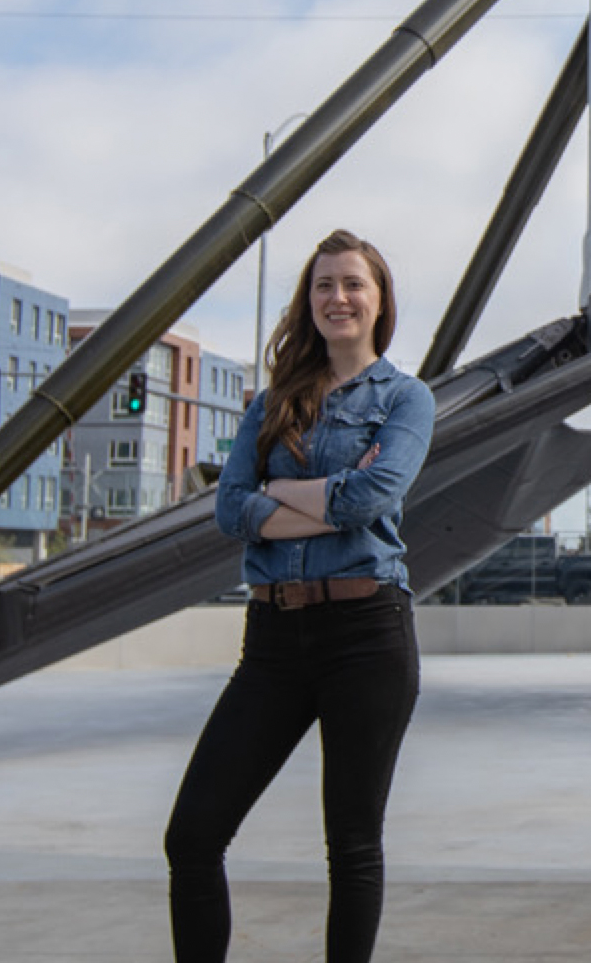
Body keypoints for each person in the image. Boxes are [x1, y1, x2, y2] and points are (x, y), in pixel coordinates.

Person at [165, 229, 436, 963]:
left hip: (366, 632)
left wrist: (277, 493)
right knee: (191, 835)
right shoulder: (272, 401)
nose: (337, 297)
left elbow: (374, 494)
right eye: (323, 285)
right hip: (274, 639)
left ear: (378, 303)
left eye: (353, 284)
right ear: (307, 300)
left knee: (350, 843)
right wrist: (327, 497)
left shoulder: (406, 399)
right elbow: (226, 507)